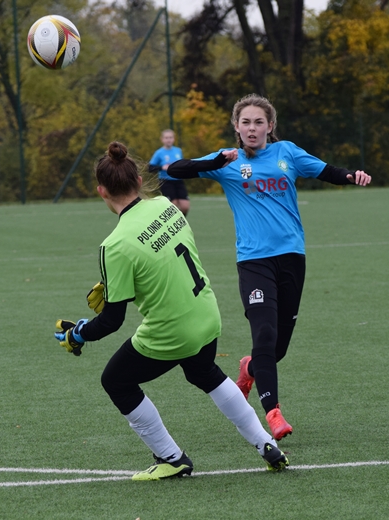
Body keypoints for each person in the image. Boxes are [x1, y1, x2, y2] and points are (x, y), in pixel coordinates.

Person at [53, 141, 288, 481]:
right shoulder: (165, 205)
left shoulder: (114, 245)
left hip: (173, 330)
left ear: (101, 191)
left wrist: (78, 334)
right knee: (202, 371)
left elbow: (112, 320)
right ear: (137, 178)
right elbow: (159, 266)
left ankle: (171, 457)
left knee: (116, 381)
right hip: (206, 314)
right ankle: (265, 443)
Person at [158, 93, 372, 440]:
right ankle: (272, 412)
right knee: (265, 334)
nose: (252, 128)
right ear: (236, 128)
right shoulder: (227, 160)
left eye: (259, 122)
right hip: (253, 261)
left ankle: (250, 368)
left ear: (270, 126)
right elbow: (175, 169)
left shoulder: (287, 151)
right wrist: (214, 160)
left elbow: (326, 170)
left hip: (291, 257)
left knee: (278, 349)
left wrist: (351, 175)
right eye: (246, 122)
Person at [148, 129, 189, 216]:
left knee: (185, 206)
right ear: (162, 139)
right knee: (173, 205)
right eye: (166, 138)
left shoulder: (178, 151)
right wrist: (162, 167)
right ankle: (175, 225)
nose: (168, 140)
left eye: (170, 137)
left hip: (179, 181)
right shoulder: (159, 153)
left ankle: (181, 221)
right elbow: (150, 168)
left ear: (174, 139)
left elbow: (182, 164)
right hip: (166, 181)